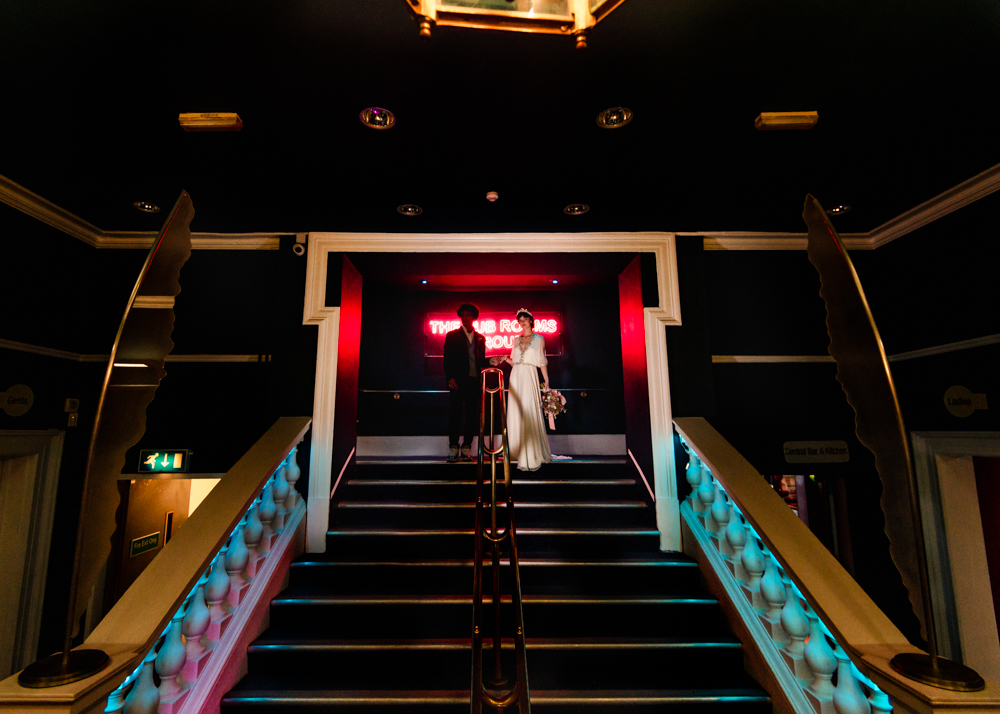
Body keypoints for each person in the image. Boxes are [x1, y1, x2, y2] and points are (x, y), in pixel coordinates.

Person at [491, 308, 552, 471]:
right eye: (520, 320)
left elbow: (542, 362)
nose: (522, 322)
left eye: (525, 319)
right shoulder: (516, 340)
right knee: (516, 411)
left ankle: (531, 451)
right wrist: (505, 358)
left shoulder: (539, 339)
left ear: (531, 320)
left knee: (528, 410)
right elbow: (515, 362)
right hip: (516, 376)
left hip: (530, 375)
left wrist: (546, 379)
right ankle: (516, 449)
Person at [444, 303, 489, 461]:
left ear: (474, 317)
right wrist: (450, 378)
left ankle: (466, 447)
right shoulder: (452, 336)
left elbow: (481, 361)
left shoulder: (480, 338)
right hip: (458, 381)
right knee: (455, 415)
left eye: (468, 314)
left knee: (471, 416)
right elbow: (447, 359)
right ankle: (453, 447)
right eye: (462, 315)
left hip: (474, 382)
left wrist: (493, 361)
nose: (465, 318)